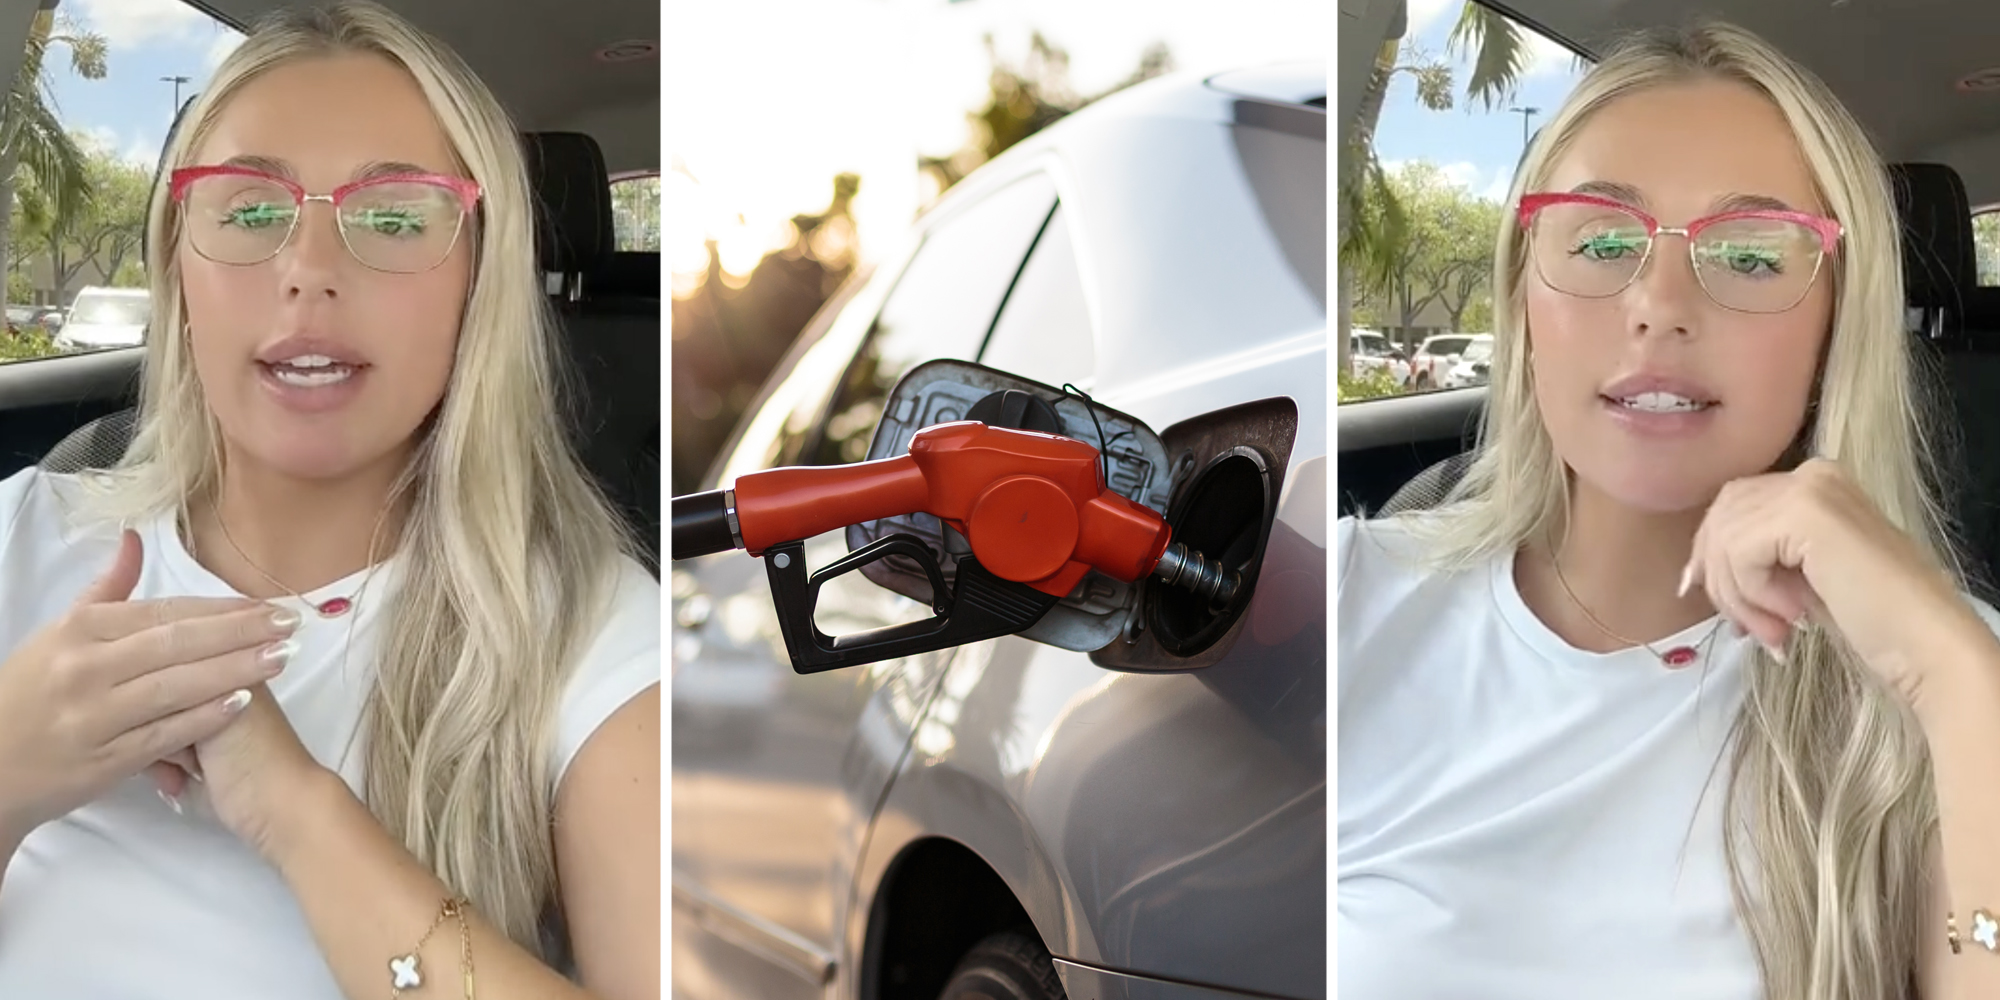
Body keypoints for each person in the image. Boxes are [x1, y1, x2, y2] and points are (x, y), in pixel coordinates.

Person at [0, 3, 659, 998]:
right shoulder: (19, 537)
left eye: (394, 217)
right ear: (179, 267)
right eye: (249, 210)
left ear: (478, 280)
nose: (308, 271)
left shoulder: (589, 631)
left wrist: (299, 812)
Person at [1338, 20, 2000, 1000]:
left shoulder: (1945, 676)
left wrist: (1954, 681)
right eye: (1600, 239)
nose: (1657, 301)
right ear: (1522, 299)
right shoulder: (1343, 599)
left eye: (1748, 256)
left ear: (1832, 328)